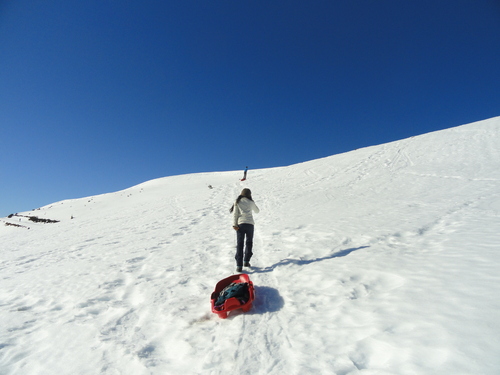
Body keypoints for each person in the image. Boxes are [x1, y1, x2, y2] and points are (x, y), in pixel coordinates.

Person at [230, 188, 259, 273]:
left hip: (240, 224)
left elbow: (235, 214)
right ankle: (246, 261)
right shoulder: (251, 202)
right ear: (249, 194)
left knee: (240, 244)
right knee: (249, 243)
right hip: (250, 224)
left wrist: (234, 224)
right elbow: (257, 211)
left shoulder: (237, 201)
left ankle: (239, 266)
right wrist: (252, 203)